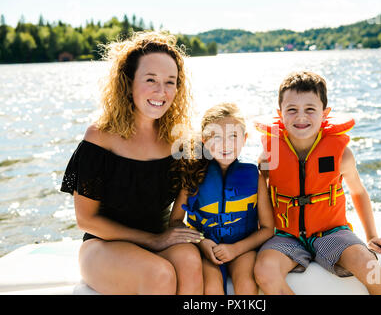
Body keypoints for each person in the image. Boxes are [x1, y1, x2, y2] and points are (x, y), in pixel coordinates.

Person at [60, 31, 204, 295]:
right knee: (158, 274)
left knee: (191, 262)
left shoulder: (180, 140)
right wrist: (154, 240)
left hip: (160, 237)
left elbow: (183, 209)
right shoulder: (100, 137)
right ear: (128, 83)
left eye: (170, 82)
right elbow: (86, 220)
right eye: (151, 80)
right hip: (103, 245)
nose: (161, 91)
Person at [253, 71, 381, 295]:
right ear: (280, 114)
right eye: (292, 110)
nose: (301, 117)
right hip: (285, 236)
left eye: (310, 109)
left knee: (368, 264)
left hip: (332, 233)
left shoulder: (342, 156)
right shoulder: (268, 157)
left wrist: (371, 236)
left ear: (324, 113)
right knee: (264, 271)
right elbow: (259, 203)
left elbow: (358, 192)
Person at [169, 102, 274, 295]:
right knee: (211, 288)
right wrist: (201, 242)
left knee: (246, 287)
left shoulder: (254, 176)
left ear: (244, 139)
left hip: (243, 249)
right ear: (204, 140)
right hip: (207, 250)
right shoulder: (194, 174)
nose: (225, 145)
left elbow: (268, 229)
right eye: (216, 137)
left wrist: (236, 249)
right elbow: (175, 221)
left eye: (233, 136)